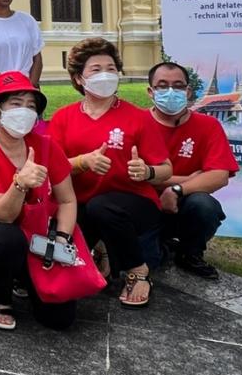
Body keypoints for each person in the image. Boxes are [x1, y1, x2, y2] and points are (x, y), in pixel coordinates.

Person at [48, 38, 173, 308]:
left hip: (133, 204)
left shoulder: (138, 118)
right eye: (96, 69)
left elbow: (166, 170)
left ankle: (138, 272)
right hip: (79, 204)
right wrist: (83, 162)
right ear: (79, 79)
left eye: (111, 68)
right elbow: (52, 170)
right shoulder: (63, 118)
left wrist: (147, 171)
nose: (105, 74)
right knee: (57, 260)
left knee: (102, 206)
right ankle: (101, 249)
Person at [0, 71, 78, 331]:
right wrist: (20, 183)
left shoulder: (46, 146)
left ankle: (24, 276)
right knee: (8, 238)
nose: (25, 112)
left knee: (59, 318)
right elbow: (2, 215)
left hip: (42, 234)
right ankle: (0, 296)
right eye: (16, 104)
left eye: (31, 106)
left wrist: (61, 240)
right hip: (0, 230)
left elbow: (68, 200)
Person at [147, 61, 238, 280]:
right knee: (149, 260)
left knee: (204, 205)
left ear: (188, 91)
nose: (171, 91)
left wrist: (177, 189)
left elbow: (219, 176)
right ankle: (160, 246)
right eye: (162, 85)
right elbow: (135, 176)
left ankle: (190, 253)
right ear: (151, 92)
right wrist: (189, 178)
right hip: (144, 205)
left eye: (178, 86)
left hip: (184, 203)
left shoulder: (208, 126)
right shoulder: (137, 123)